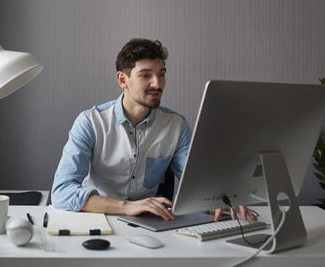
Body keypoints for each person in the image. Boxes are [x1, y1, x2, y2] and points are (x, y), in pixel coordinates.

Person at [51, 38, 256, 222]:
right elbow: (62, 192)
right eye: (146, 75)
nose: (157, 84)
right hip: (99, 220)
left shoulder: (176, 126)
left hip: (149, 224)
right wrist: (128, 207)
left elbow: (196, 187)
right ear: (123, 80)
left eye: (161, 74)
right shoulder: (90, 122)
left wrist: (221, 198)